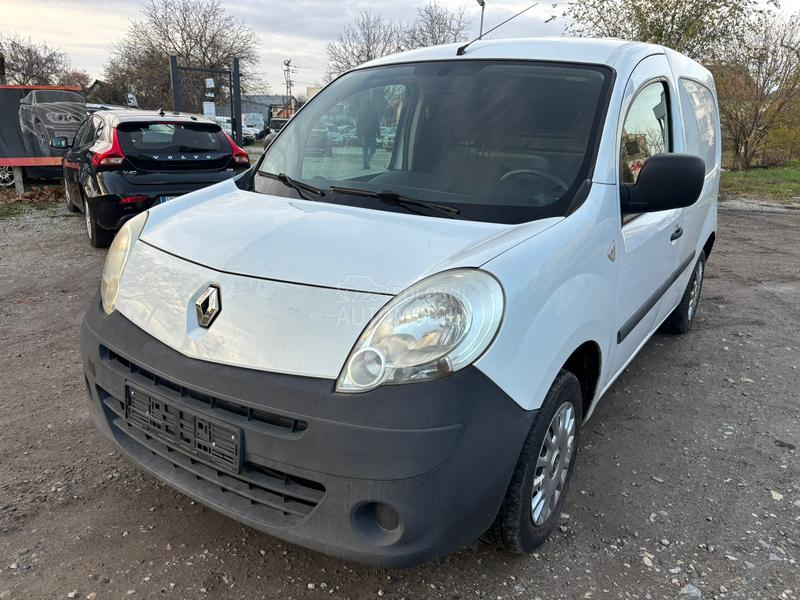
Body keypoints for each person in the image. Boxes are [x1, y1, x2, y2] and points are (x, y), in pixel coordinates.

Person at [356, 98, 380, 170]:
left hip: (363, 136)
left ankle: (365, 165)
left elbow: (358, 125)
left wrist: (358, 134)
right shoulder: (374, 114)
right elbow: (377, 125)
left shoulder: (361, 114)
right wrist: (378, 133)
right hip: (371, 135)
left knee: (365, 151)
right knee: (372, 151)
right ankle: (366, 162)